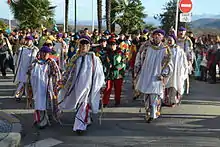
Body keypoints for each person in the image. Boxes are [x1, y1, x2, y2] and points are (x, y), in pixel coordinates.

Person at [58, 36, 105, 134]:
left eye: (86, 44)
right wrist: (63, 81)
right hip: (76, 86)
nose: (84, 46)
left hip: (89, 86)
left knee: (83, 104)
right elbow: (68, 71)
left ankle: (79, 126)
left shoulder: (94, 58)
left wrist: (101, 84)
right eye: (82, 44)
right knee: (81, 104)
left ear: (89, 46)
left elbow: (99, 73)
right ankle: (86, 119)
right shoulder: (75, 58)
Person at [136, 29, 173, 123]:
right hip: (146, 74)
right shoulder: (146, 47)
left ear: (162, 37)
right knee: (146, 95)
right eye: (155, 35)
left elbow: (168, 64)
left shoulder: (165, 49)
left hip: (157, 76)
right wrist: (137, 70)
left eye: (159, 35)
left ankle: (153, 113)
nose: (157, 37)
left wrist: (163, 74)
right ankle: (148, 113)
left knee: (154, 95)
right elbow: (139, 58)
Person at [27, 46, 62, 128]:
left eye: (47, 53)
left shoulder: (51, 63)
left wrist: (55, 84)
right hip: (37, 88)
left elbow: (57, 74)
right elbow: (29, 74)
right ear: (40, 53)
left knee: (49, 103)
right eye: (43, 52)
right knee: (39, 103)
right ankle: (41, 120)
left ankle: (49, 118)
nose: (45, 54)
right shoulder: (34, 63)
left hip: (48, 87)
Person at [164, 34, 188, 107]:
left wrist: (183, 70)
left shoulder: (179, 50)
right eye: (168, 40)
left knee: (174, 85)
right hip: (166, 70)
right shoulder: (164, 49)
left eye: (171, 40)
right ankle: (165, 100)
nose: (169, 41)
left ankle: (173, 101)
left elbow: (184, 62)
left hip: (176, 71)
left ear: (174, 41)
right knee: (166, 85)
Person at [102, 38, 126, 107]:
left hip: (118, 74)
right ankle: (105, 102)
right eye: (111, 44)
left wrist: (116, 67)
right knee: (107, 88)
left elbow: (123, 62)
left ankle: (117, 101)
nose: (112, 46)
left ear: (116, 45)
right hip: (109, 73)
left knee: (118, 89)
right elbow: (104, 62)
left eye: (114, 44)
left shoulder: (120, 53)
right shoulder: (106, 53)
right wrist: (107, 65)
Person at [14, 36, 39, 102]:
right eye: (26, 40)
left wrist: (32, 67)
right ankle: (18, 96)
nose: (27, 41)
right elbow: (18, 58)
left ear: (32, 41)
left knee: (29, 83)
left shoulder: (35, 49)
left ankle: (29, 96)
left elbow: (35, 59)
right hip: (22, 68)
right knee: (21, 82)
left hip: (30, 68)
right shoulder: (22, 48)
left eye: (29, 40)